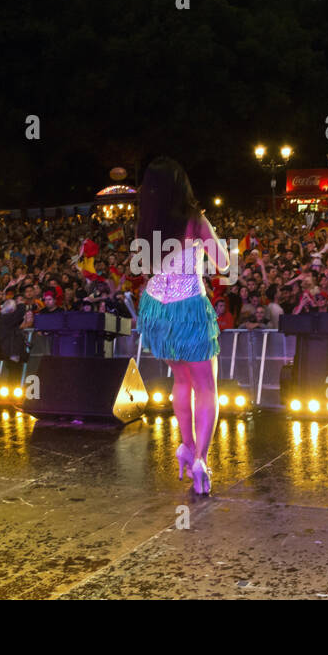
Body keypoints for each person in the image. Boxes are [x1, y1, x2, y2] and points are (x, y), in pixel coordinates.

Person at [135, 157, 226, 496]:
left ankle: (186, 446)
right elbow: (224, 262)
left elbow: (145, 266)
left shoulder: (146, 224)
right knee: (206, 386)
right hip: (188, 305)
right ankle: (201, 458)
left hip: (157, 308)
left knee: (181, 380)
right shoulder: (195, 220)